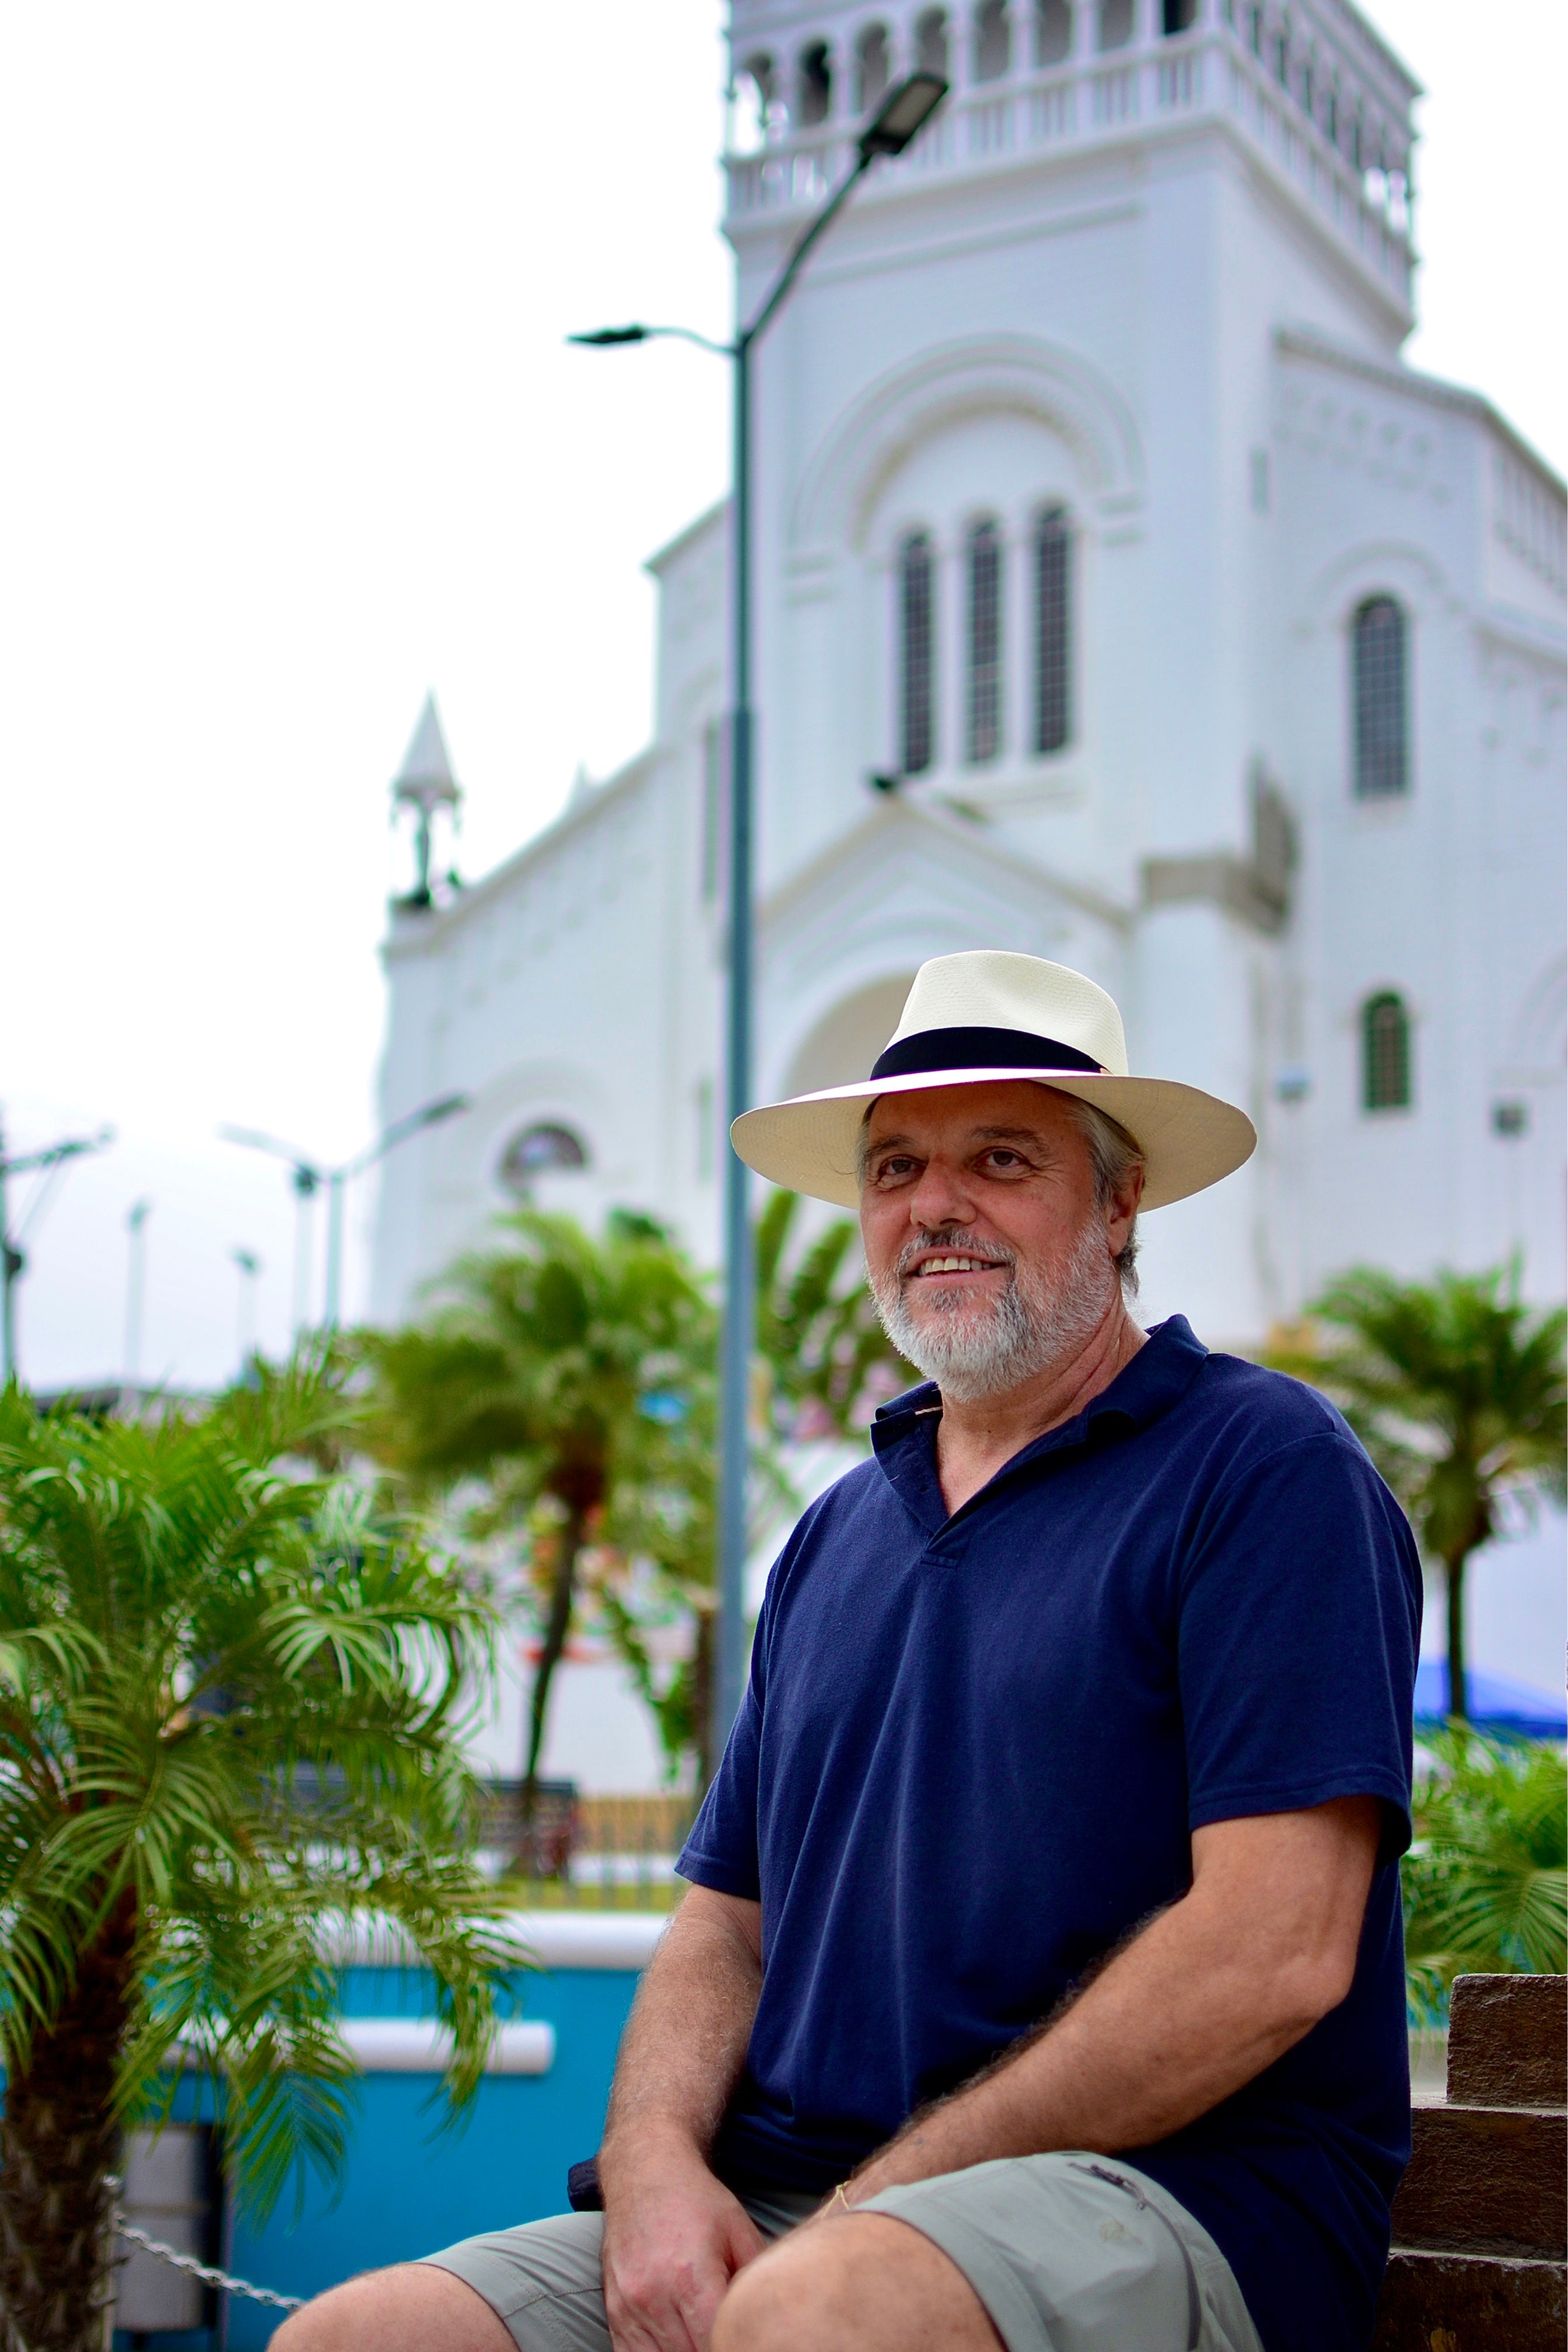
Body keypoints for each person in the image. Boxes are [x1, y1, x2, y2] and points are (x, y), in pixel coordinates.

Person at [280, 952, 1420, 2352]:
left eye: (1000, 1157)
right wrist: (648, 2179)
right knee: (358, 2339)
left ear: (1120, 1200)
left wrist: (879, 2203)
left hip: (1174, 2195)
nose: (934, 1205)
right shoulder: (836, 1534)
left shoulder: (1264, 1469)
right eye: (894, 1170)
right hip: (798, 2197)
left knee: (822, 2314)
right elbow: (723, 1924)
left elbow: (1275, 1950)